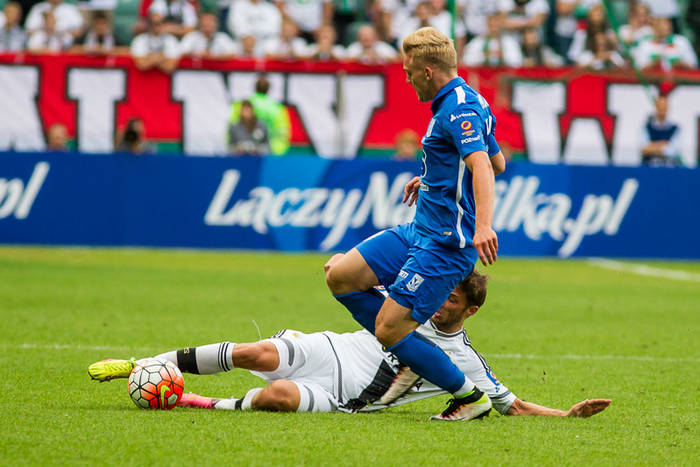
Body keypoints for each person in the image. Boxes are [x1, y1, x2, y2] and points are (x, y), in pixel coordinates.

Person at [87, 268, 611, 418]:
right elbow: (362, 285)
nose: (439, 303)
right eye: (441, 292)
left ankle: (194, 401)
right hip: (330, 349)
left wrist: (565, 416)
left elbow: (511, 404)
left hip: (346, 397)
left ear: (470, 310)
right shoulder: (411, 301)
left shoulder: (465, 361)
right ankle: (141, 363)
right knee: (254, 353)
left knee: (277, 397)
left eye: (451, 300)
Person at [325, 27, 506, 421]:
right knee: (340, 276)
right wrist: (433, 178)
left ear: (427, 71)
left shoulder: (459, 109)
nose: (406, 80)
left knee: (388, 330)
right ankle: (411, 346)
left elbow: (482, 166)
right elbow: (499, 160)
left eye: (408, 72)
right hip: (419, 230)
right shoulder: (466, 100)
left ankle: (469, 396)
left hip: (445, 244)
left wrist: (483, 226)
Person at [228, 75, 291, 155]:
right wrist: (277, 152)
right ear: (269, 89)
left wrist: (232, 148)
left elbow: (231, 127)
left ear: (255, 87)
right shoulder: (277, 107)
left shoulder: (242, 104)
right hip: (269, 154)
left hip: (240, 153)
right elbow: (283, 131)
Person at [640, 95, 681, 166]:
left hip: (669, 168)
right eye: (659, 106)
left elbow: (673, 151)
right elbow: (643, 149)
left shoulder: (675, 128)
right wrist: (663, 144)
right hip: (648, 167)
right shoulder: (645, 127)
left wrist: (652, 146)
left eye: (664, 107)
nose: (662, 109)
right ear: (655, 107)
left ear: (668, 108)